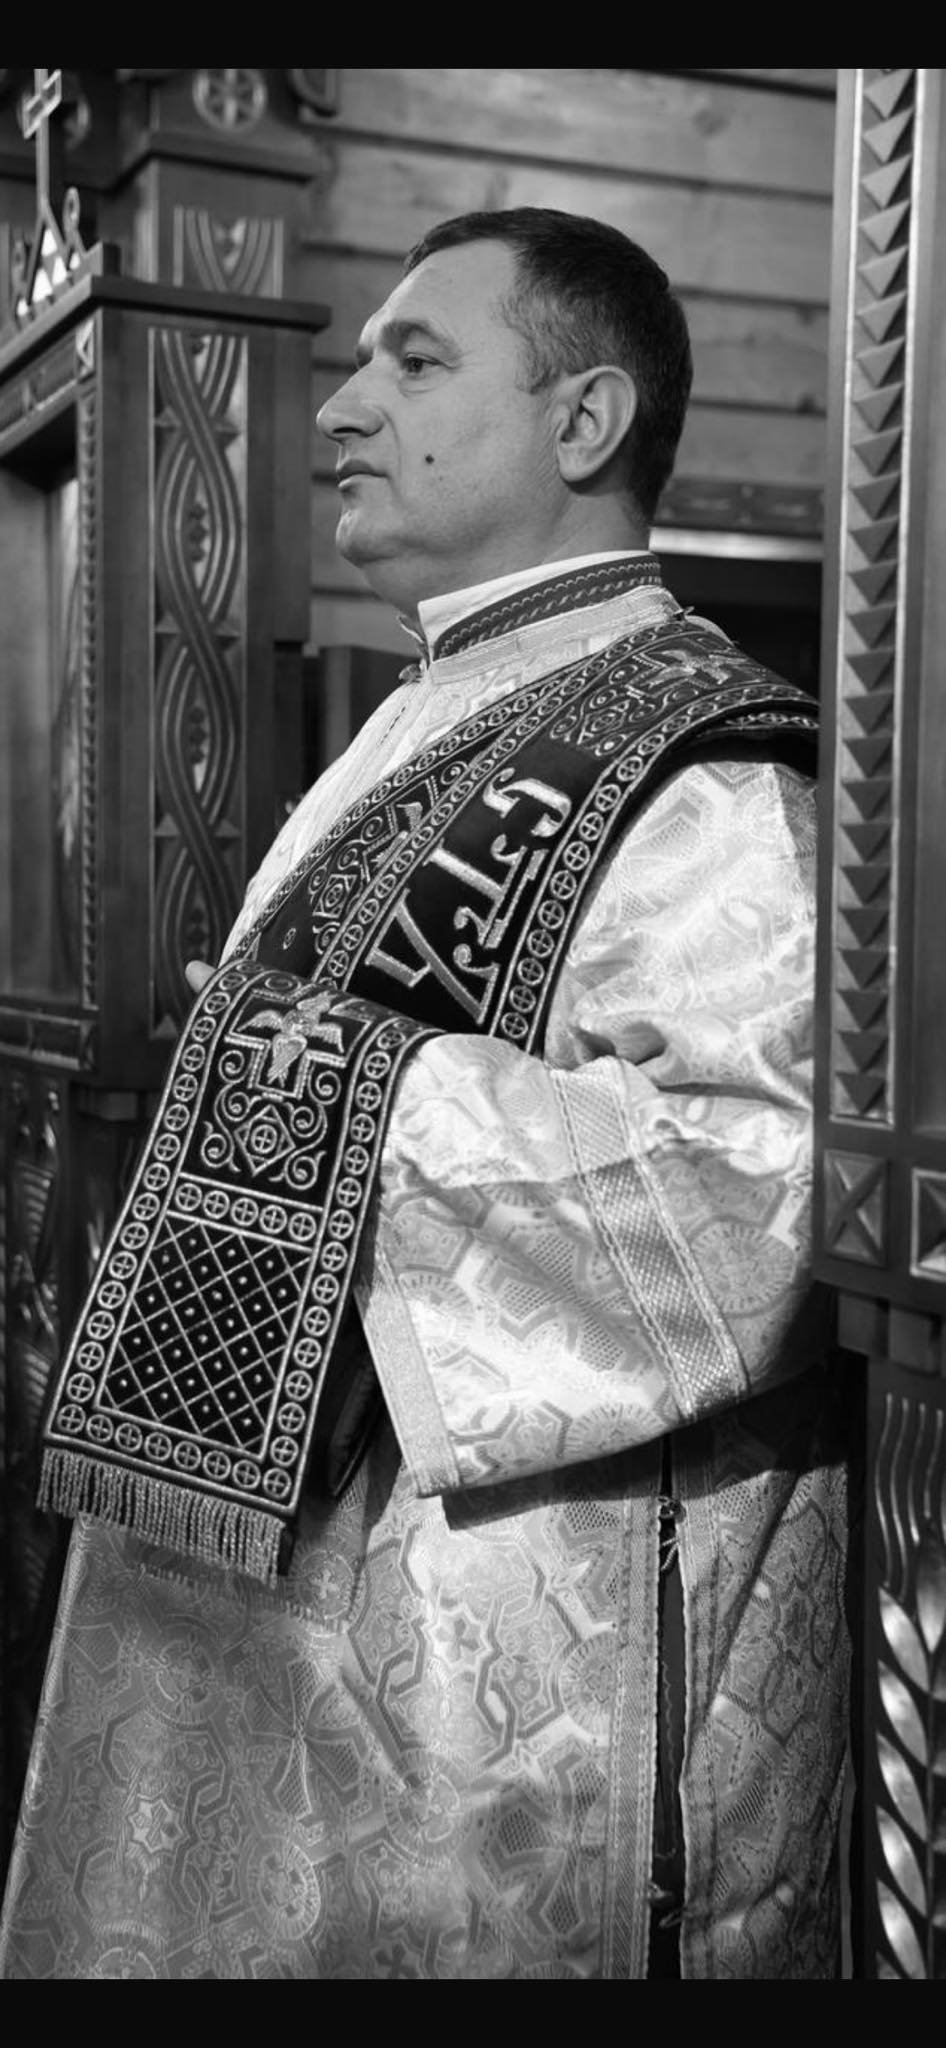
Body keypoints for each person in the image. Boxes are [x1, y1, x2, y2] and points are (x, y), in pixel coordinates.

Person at [0, 207, 851, 1981]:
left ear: (583, 420)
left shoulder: (704, 773)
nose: (337, 408)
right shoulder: (437, 712)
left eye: (415, 358)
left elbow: (752, 1194)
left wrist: (332, 1081)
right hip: (290, 1618)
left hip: (504, 1687)